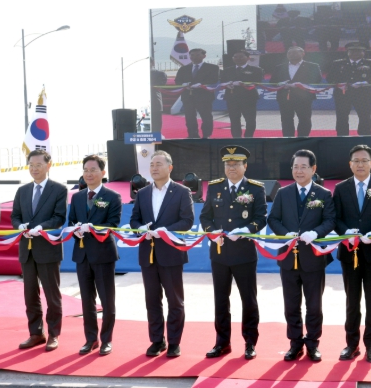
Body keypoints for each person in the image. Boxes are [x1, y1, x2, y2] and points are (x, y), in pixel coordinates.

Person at [267, 149, 336, 362]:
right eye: (295, 167)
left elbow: (330, 220)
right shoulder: (283, 193)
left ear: (313, 169)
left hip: (313, 258)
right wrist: (284, 233)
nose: (299, 171)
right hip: (288, 258)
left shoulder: (323, 194)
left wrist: (316, 233)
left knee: (314, 305)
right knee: (291, 305)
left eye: (303, 167)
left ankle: (313, 343)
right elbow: (273, 219)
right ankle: (295, 343)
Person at [200, 146, 267, 360]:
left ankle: (250, 342)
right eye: (228, 164)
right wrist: (211, 232)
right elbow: (205, 217)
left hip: (244, 253)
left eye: (236, 164)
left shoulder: (255, 189)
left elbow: (261, 218)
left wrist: (246, 230)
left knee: (248, 300)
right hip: (219, 252)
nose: (231, 168)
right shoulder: (215, 187)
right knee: (221, 300)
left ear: (245, 166)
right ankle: (222, 342)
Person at [130, 150, 194, 358]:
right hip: (148, 254)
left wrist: (166, 231)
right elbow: (134, 220)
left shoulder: (182, 192)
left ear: (170, 167)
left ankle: (174, 342)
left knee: (175, 300)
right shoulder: (142, 193)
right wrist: (140, 229)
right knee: (152, 300)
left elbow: (187, 221)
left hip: (171, 253)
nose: (154, 168)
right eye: (152, 164)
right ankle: (157, 340)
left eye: (159, 164)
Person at [332, 145, 371, 363]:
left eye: (364, 160)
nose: (360, 164)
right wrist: (345, 232)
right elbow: (336, 218)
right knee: (352, 300)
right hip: (349, 252)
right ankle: (352, 344)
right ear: (350, 164)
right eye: (356, 161)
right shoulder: (341, 188)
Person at [11, 150, 68, 351]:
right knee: (30, 294)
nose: (34, 169)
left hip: (47, 248)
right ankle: (36, 333)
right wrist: (19, 226)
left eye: (38, 165)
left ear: (48, 165)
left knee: (52, 295)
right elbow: (15, 216)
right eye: (31, 165)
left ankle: (53, 334)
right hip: (27, 249)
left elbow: (59, 217)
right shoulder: (22, 190)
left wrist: (41, 227)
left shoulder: (58, 189)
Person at [69, 155, 122, 356]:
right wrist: (76, 229)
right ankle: (90, 339)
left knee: (107, 300)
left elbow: (113, 224)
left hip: (103, 254)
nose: (89, 174)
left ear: (103, 172)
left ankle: (106, 339)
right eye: (86, 170)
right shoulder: (77, 197)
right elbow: (71, 221)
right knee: (86, 300)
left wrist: (93, 228)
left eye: (93, 170)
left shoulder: (112, 196)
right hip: (82, 254)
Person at [326, 42, 371, 136]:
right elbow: (330, 78)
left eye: (359, 51)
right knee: (342, 116)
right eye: (352, 51)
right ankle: (342, 136)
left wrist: (366, 82)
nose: (355, 53)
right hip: (343, 94)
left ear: (364, 52)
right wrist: (339, 84)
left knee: (365, 116)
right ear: (347, 52)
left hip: (363, 94)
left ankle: (365, 135)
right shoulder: (338, 63)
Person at [269, 46, 323, 137]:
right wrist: (280, 84)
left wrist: (302, 84)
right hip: (285, 97)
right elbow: (273, 82)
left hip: (304, 97)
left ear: (303, 54)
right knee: (286, 120)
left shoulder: (312, 66)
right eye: (289, 53)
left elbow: (317, 80)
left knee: (304, 119)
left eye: (294, 53)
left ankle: (302, 138)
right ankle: (288, 139)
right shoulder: (280, 67)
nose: (291, 55)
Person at [174, 48, 220, 139]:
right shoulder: (184, 69)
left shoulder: (212, 67)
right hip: (188, 96)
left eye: (198, 55)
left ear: (204, 56)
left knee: (206, 117)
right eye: (192, 55)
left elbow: (214, 80)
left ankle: (206, 135)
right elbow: (177, 80)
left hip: (204, 96)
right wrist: (183, 84)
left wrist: (200, 84)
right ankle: (192, 135)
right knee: (189, 117)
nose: (194, 57)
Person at [220, 50, 263, 138]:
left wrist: (242, 83)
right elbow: (222, 82)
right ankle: (236, 138)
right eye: (235, 57)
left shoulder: (256, 70)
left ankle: (248, 137)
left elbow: (257, 81)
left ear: (248, 58)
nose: (238, 59)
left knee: (250, 120)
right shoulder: (227, 70)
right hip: (232, 98)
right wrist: (228, 84)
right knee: (234, 120)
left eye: (241, 57)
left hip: (249, 98)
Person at [150, 61, 168, 133]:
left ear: (152, 63)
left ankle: (156, 136)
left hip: (154, 99)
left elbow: (162, 84)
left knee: (156, 121)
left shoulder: (160, 74)